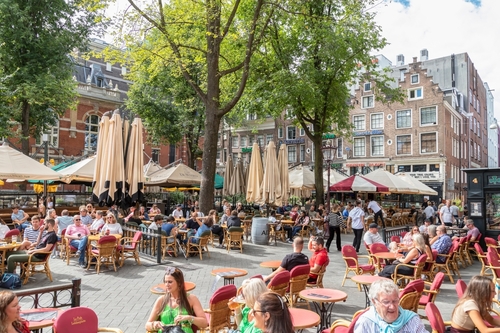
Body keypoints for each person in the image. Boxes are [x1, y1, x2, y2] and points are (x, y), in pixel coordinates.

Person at [146, 267, 208, 333]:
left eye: (170, 282)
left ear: (179, 283)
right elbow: (147, 325)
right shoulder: (161, 300)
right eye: (165, 282)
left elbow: (204, 323)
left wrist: (189, 318)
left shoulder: (191, 299)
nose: (167, 285)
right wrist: (154, 324)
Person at [354, 279, 427, 332]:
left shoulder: (412, 320)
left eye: (395, 301)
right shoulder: (366, 323)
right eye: (386, 302)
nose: (392, 307)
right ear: (374, 301)